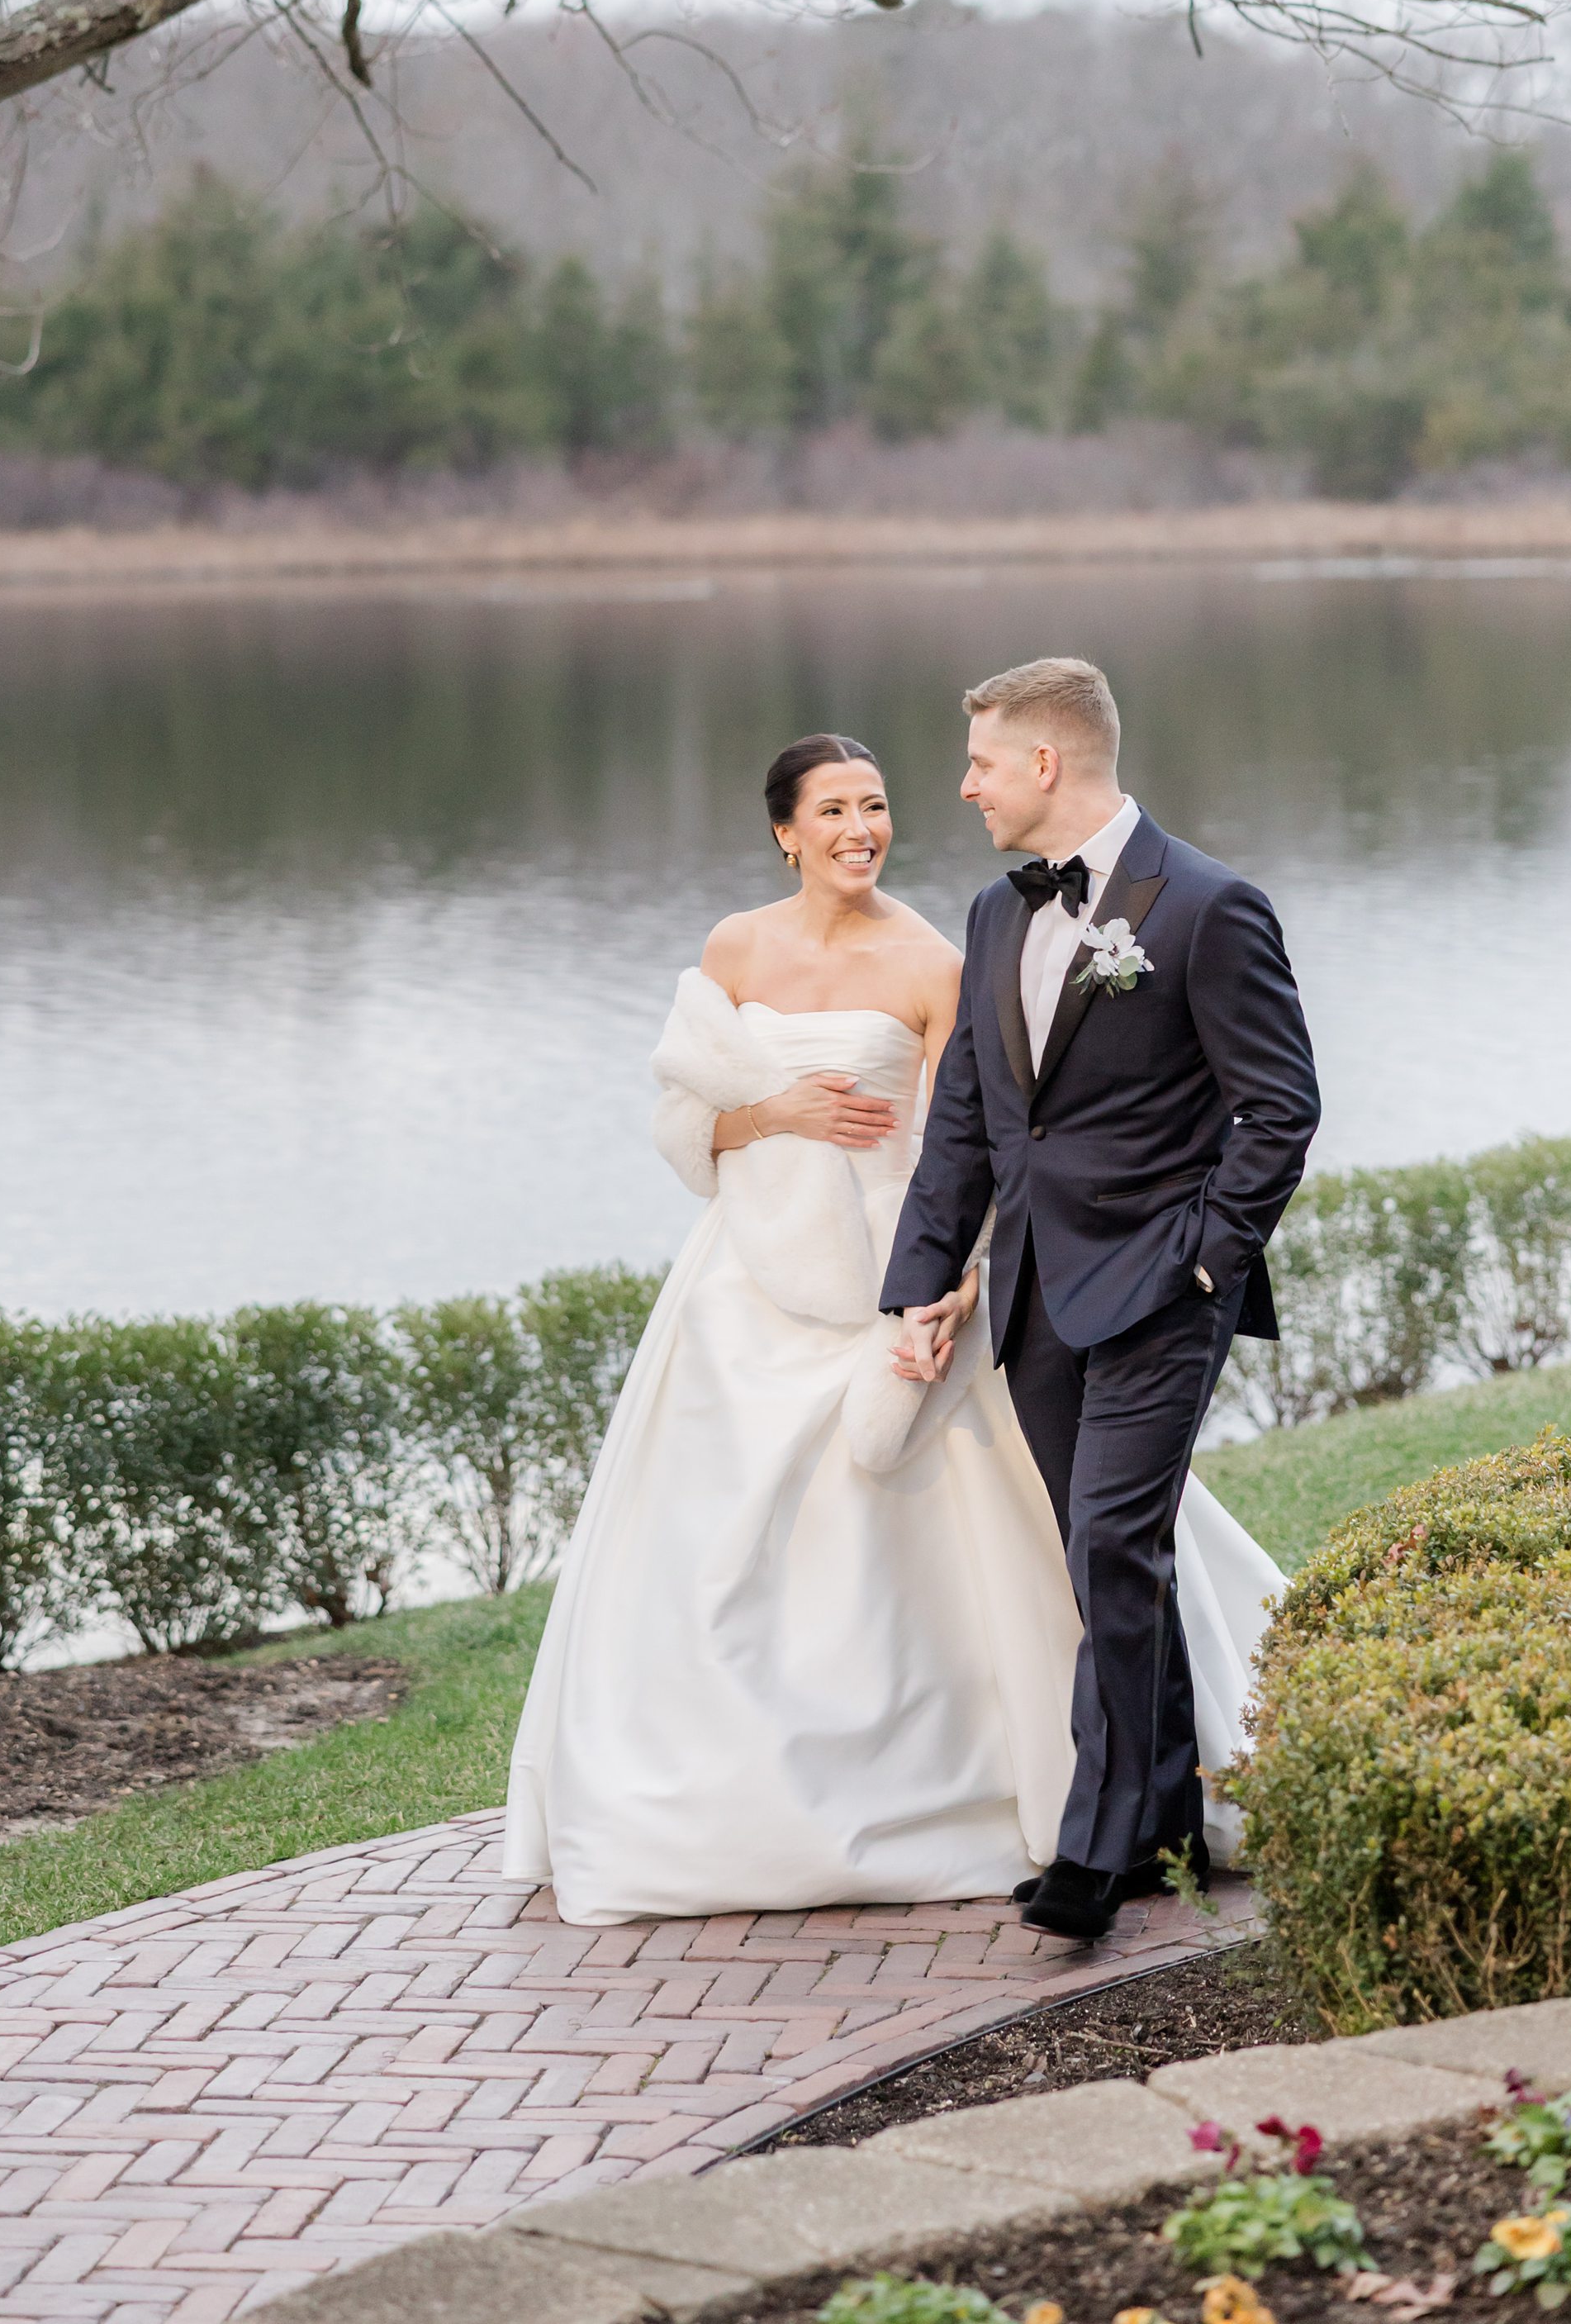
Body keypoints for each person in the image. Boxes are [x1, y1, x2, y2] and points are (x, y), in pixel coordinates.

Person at [503, 726, 1280, 1928]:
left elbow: (963, 1139)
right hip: (746, 1288)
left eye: (876, 806)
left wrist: (952, 1289)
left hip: (919, 1275)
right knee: (711, 1556)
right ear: (784, 830)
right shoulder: (737, 947)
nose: (863, 828)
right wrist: (769, 1113)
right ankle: (719, 1795)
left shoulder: (936, 950)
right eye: (834, 811)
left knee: (1075, 1540)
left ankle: (1081, 1817)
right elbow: (686, 1122)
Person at [883, 657, 1321, 1943]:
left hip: (1159, 1295)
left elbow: (1279, 1108)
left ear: (1046, 764)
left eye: (979, 763)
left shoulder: (1206, 906)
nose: (961, 787)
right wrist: (923, 1277)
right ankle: (1167, 1820)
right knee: (1111, 1563)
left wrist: (1205, 1258)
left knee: (1112, 1547)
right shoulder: (990, 911)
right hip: (1031, 1299)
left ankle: (1097, 1849)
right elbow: (967, 1109)